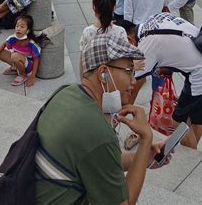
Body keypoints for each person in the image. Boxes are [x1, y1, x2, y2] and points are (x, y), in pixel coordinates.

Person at [34, 33, 165, 205]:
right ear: (103, 73)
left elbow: (100, 159)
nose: (134, 80)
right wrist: (146, 138)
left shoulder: (66, 92)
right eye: (129, 71)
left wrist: (143, 157)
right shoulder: (96, 130)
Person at [127, 11, 202, 150]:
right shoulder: (154, 19)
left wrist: (124, 106)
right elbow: (175, 44)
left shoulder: (146, 43)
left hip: (200, 77)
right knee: (196, 120)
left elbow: (134, 80)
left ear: (130, 39)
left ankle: (192, 154)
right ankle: (193, 152)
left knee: (177, 123)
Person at [79, 0, 128, 76]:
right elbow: (125, 61)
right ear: (114, 7)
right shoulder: (120, 32)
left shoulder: (87, 32)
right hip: (115, 81)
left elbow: (82, 63)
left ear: (93, 7)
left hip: (94, 83)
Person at [0, 14, 41, 87]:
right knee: (0, 52)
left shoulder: (31, 44)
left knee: (14, 56)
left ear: (28, 30)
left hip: (28, 65)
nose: (18, 29)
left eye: (22, 27)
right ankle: (16, 68)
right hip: (17, 59)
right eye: (17, 26)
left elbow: (36, 59)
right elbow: (3, 45)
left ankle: (23, 75)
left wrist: (32, 76)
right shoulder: (13, 38)